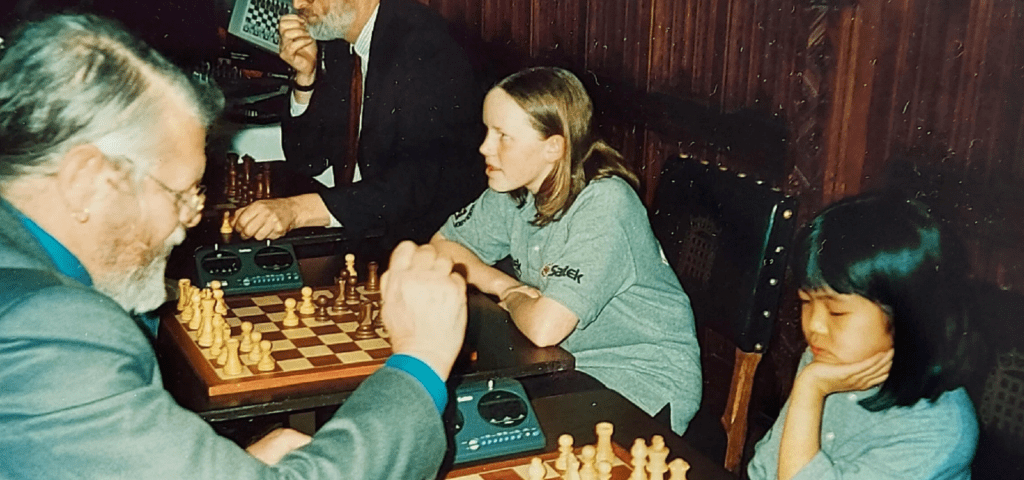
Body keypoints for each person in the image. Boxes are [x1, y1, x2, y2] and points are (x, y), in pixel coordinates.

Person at [0, 14, 467, 479]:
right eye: (180, 194)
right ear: (85, 182)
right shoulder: (47, 329)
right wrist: (421, 359)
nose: (189, 220)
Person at [430, 66, 702, 435]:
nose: (484, 147)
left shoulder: (606, 204)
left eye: (502, 136)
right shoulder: (517, 187)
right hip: (561, 365)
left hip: (638, 378)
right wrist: (501, 285)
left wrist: (513, 296)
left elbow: (545, 328)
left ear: (553, 147)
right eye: (487, 131)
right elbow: (441, 248)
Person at [746, 192, 979, 479]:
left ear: (907, 316)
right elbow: (764, 469)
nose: (814, 327)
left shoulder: (938, 426)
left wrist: (809, 391)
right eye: (806, 302)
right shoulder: (829, 355)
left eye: (837, 313)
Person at [231, 0, 485, 255]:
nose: (298, 3)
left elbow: (416, 182)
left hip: (424, 247)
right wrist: (305, 77)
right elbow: (307, 161)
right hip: (362, 231)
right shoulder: (339, 41)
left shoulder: (427, 46)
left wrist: (298, 211)